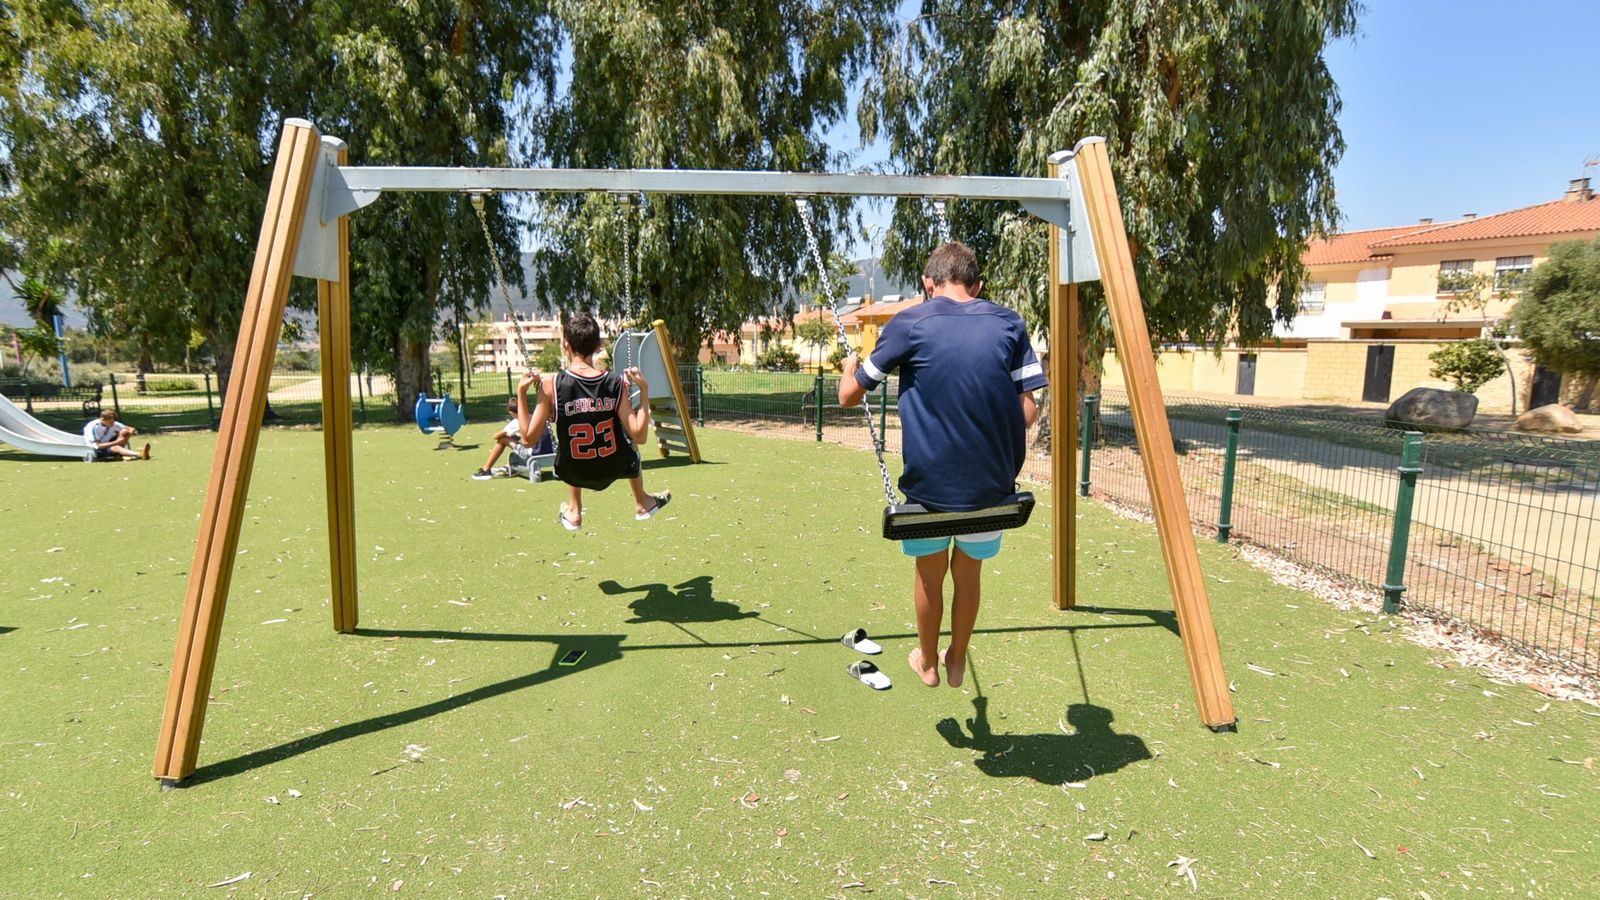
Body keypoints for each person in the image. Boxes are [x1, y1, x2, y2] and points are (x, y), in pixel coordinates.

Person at [839, 242, 1045, 688]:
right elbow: (1028, 411)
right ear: (978, 286)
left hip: (929, 490)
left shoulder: (910, 321)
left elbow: (848, 396)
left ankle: (929, 662)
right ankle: (957, 659)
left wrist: (848, 367)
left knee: (930, 575)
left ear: (928, 285)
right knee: (968, 574)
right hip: (993, 491)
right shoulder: (1010, 323)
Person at [516, 312, 670, 529]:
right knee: (630, 442)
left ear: (565, 345)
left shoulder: (551, 385)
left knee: (567, 438)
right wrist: (644, 390)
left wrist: (521, 394)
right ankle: (641, 501)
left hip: (573, 471)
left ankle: (574, 511)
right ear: (598, 345)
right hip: (613, 468)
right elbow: (640, 435)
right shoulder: (615, 383)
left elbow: (528, 439)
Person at [472, 399, 525, 480]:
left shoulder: (517, 422)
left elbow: (496, 436)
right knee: (515, 436)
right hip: (541, 449)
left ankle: (486, 469)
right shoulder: (531, 416)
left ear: (512, 413)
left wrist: (509, 434)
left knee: (502, 439)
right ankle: (508, 466)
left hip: (530, 452)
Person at [82, 408, 150, 461]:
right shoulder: (93, 427)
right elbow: (98, 445)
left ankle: (119, 453)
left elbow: (130, 429)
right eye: (110, 421)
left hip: (108, 443)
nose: (113, 424)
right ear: (102, 419)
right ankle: (140, 454)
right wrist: (117, 442)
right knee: (116, 447)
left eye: (113, 421)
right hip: (97, 449)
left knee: (125, 431)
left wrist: (129, 431)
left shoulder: (113, 424)